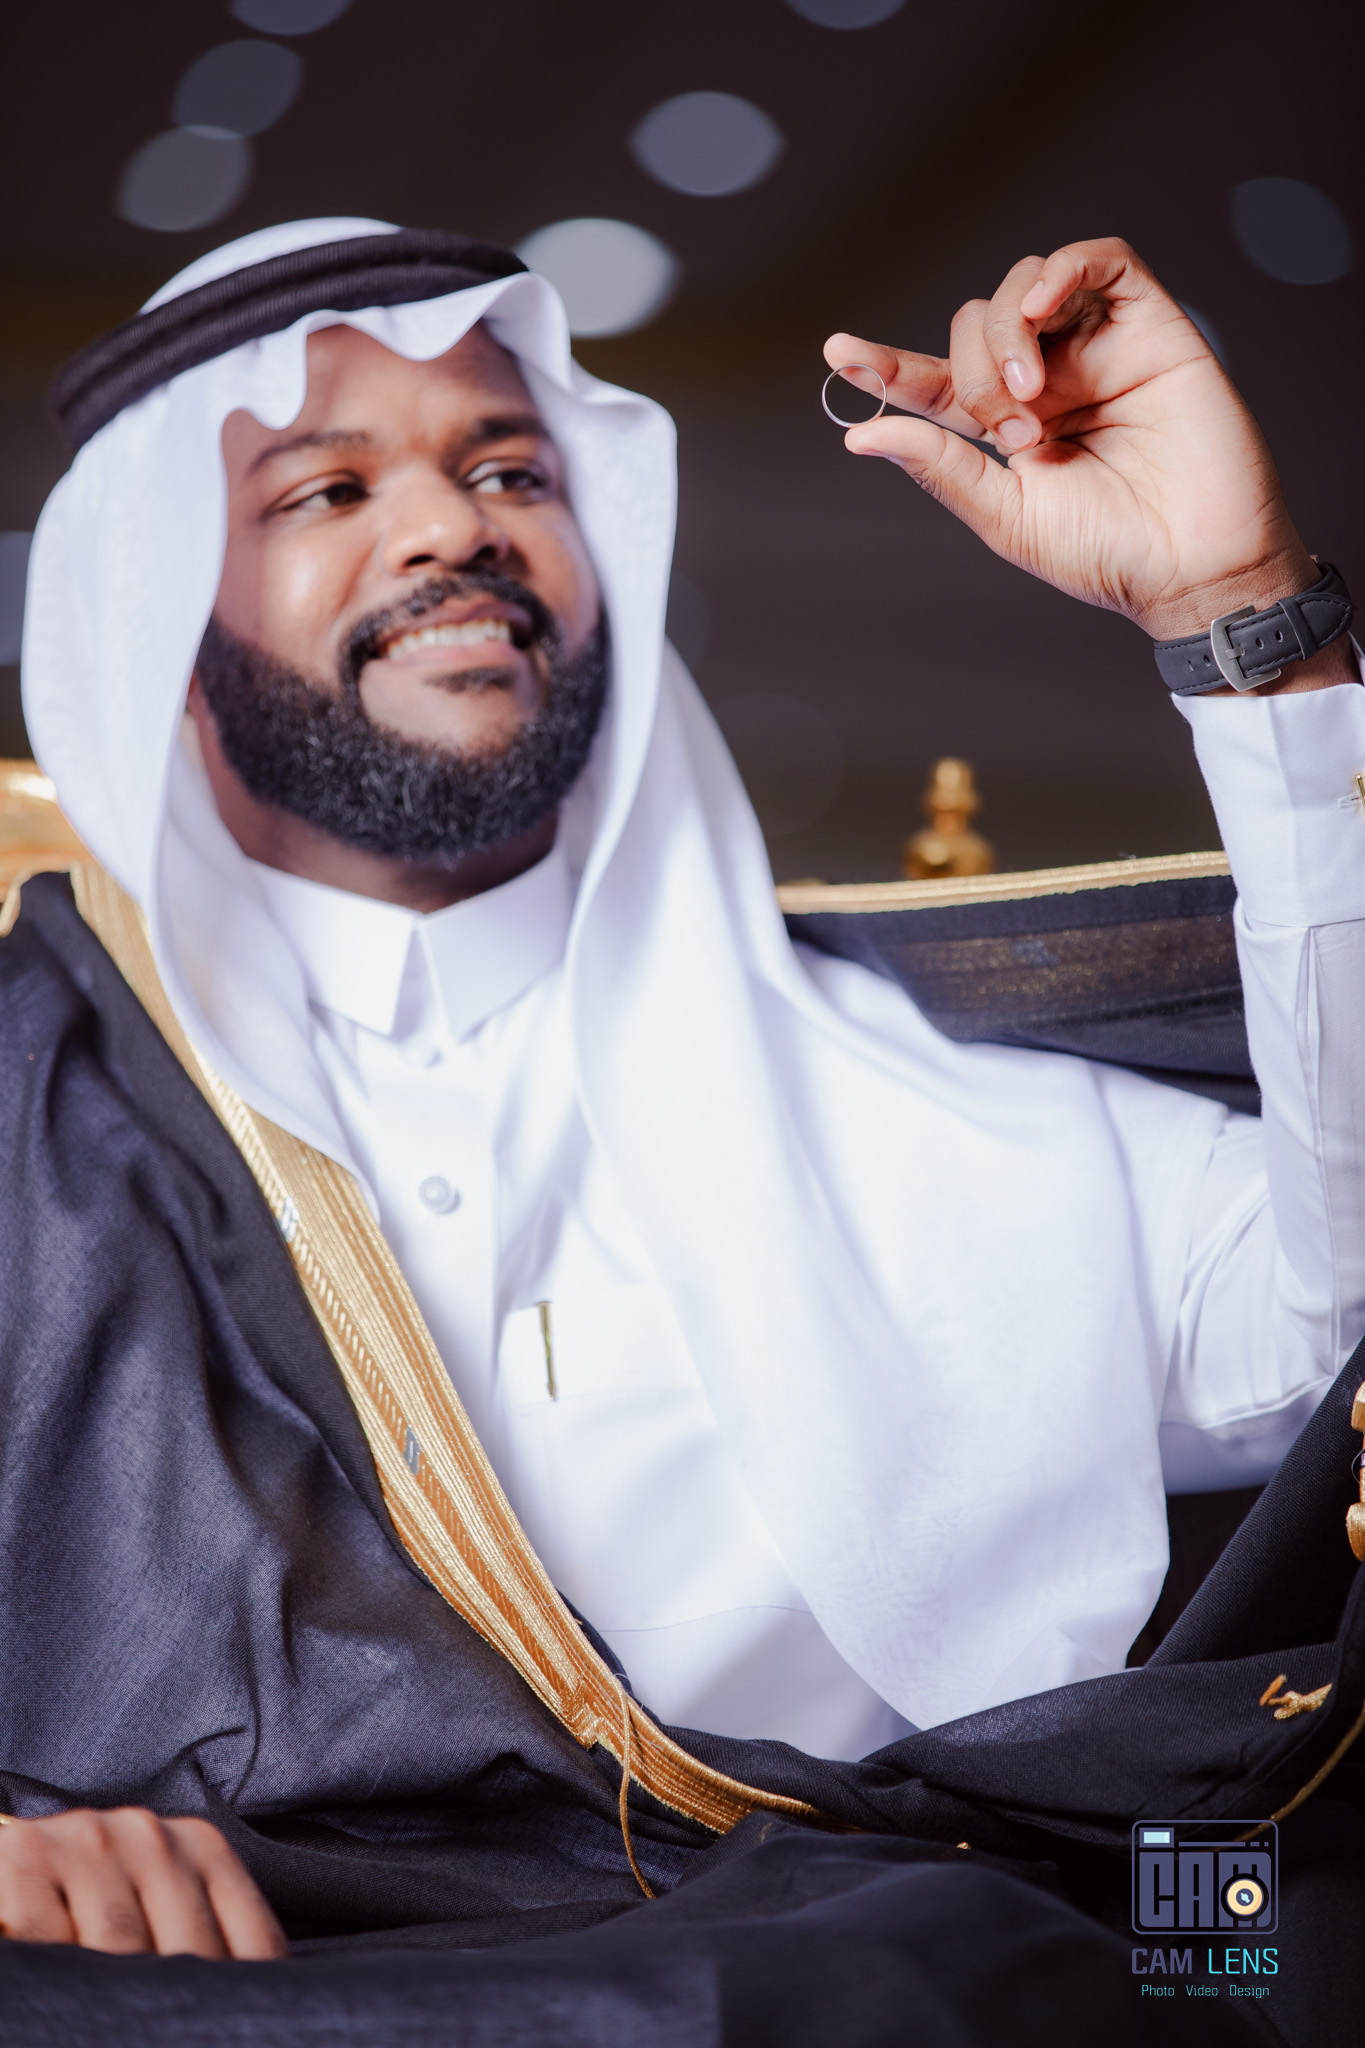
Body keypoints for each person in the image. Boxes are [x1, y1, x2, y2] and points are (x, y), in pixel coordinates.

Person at [1, 220, 1363, 2042]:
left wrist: (1243, 620)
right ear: (156, 615)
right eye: (327, 488)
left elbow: (1334, 1332)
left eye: (509, 470)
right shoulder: (36, 1111)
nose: (451, 526)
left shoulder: (916, 1091)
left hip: (871, 1978)